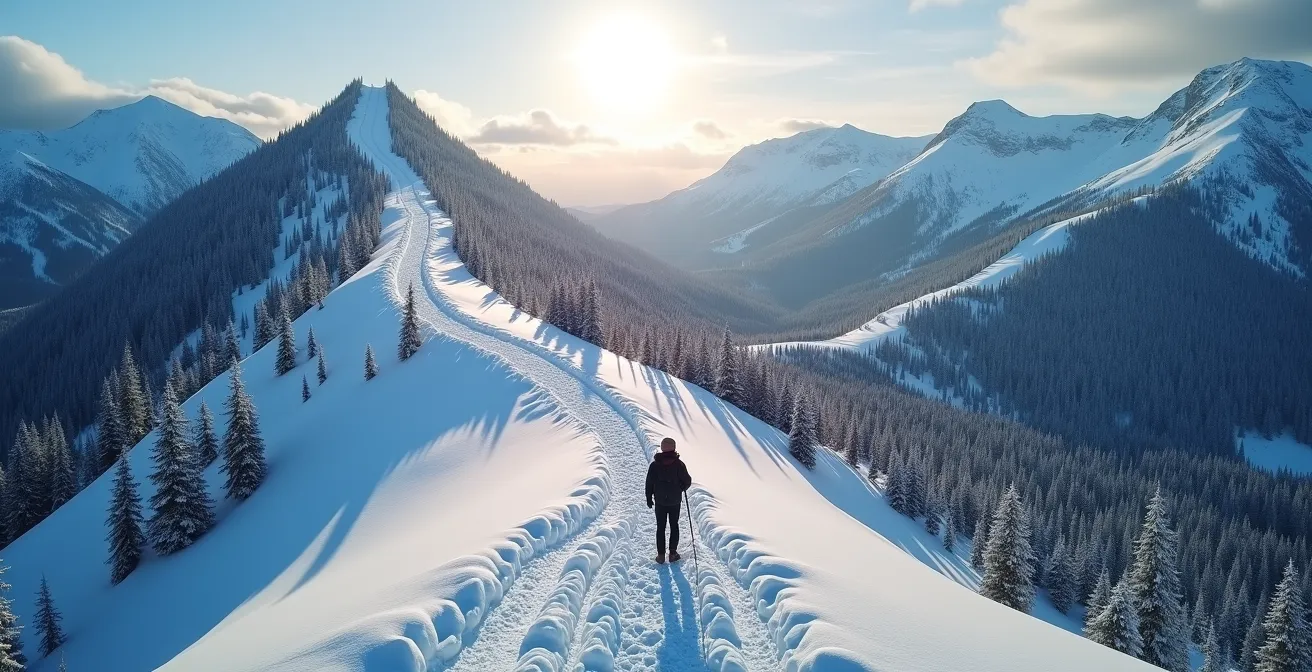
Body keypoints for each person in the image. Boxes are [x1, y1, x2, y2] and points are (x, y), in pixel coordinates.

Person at [646, 437, 692, 563]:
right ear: (674, 447)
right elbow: (687, 481)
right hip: (674, 501)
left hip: (660, 501)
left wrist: (649, 498)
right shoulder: (679, 464)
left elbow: (649, 483)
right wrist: (682, 487)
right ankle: (672, 553)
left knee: (660, 527)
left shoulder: (655, 465)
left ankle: (661, 556)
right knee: (674, 525)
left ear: (662, 448)